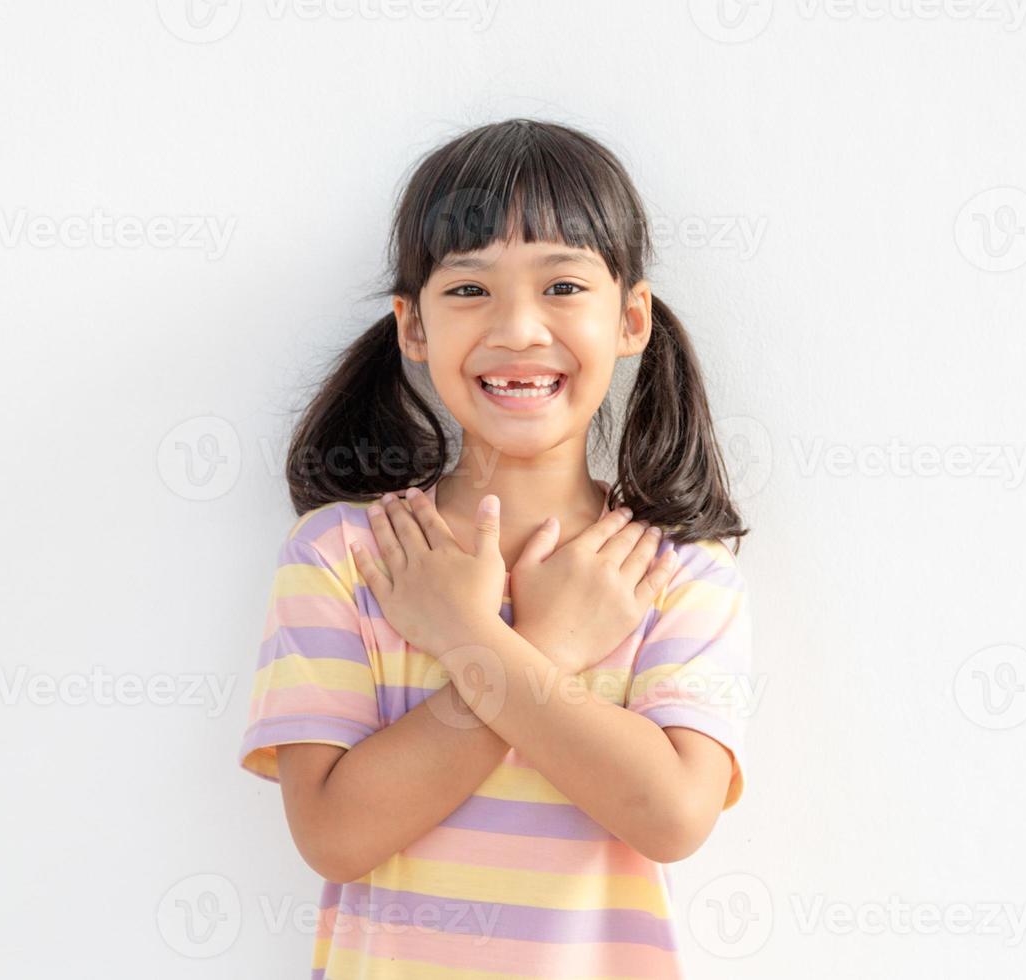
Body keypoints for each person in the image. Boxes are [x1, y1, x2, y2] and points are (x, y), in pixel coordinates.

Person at [238, 117, 753, 978]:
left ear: (630, 318)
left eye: (562, 286)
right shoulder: (346, 556)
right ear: (412, 329)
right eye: (470, 290)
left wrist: (473, 639)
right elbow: (334, 834)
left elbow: (671, 818)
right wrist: (546, 647)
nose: (518, 329)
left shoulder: (676, 574)